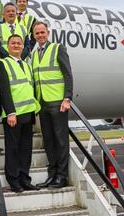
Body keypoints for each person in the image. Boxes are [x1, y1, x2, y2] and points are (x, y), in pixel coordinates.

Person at [31, 21, 73, 189]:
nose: (40, 35)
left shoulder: (58, 48)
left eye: (42, 32)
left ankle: (61, 177)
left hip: (58, 103)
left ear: (48, 33)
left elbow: (68, 74)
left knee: (61, 140)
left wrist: (67, 98)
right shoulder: (34, 54)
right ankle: (52, 175)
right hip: (42, 103)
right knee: (48, 141)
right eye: (37, 33)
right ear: (34, 36)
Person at [0, 35, 40, 192]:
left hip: (28, 113)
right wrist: (10, 113)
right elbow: (5, 91)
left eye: (19, 43)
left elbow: (30, 88)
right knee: (13, 148)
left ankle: (24, 178)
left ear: (23, 47)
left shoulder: (26, 65)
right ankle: (13, 179)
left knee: (25, 149)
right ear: (8, 46)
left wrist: (34, 110)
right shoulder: (2, 63)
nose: (16, 45)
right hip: (14, 114)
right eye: (13, 43)